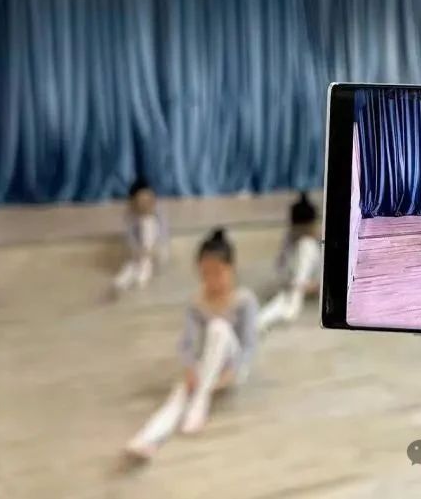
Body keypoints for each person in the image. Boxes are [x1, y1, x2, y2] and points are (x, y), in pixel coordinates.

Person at [124, 229, 258, 459]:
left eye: (217, 272)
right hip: (207, 364)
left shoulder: (245, 300)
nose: (212, 280)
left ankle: (200, 403)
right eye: (205, 274)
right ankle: (146, 439)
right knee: (178, 394)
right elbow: (187, 344)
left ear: (231, 269)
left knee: (218, 328)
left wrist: (226, 377)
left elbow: (248, 347)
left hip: (232, 367)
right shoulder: (196, 302)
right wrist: (189, 369)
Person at [258, 193, 321, 332]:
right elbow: (281, 269)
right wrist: (290, 283)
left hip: (310, 288)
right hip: (292, 287)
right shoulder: (289, 240)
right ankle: (262, 320)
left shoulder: (315, 242)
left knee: (307, 246)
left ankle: (292, 305)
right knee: (280, 300)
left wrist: (311, 286)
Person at [113, 178, 168, 294]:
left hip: (155, 251)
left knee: (148, 222)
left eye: (148, 200)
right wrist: (138, 251)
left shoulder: (157, 213)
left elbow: (163, 234)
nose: (145, 204)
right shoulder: (131, 216)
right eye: (141, 201)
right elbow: (130, 238)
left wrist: (154, 249)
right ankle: (121, 283)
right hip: (139, 252)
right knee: (132, 266)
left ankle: (140, 275)